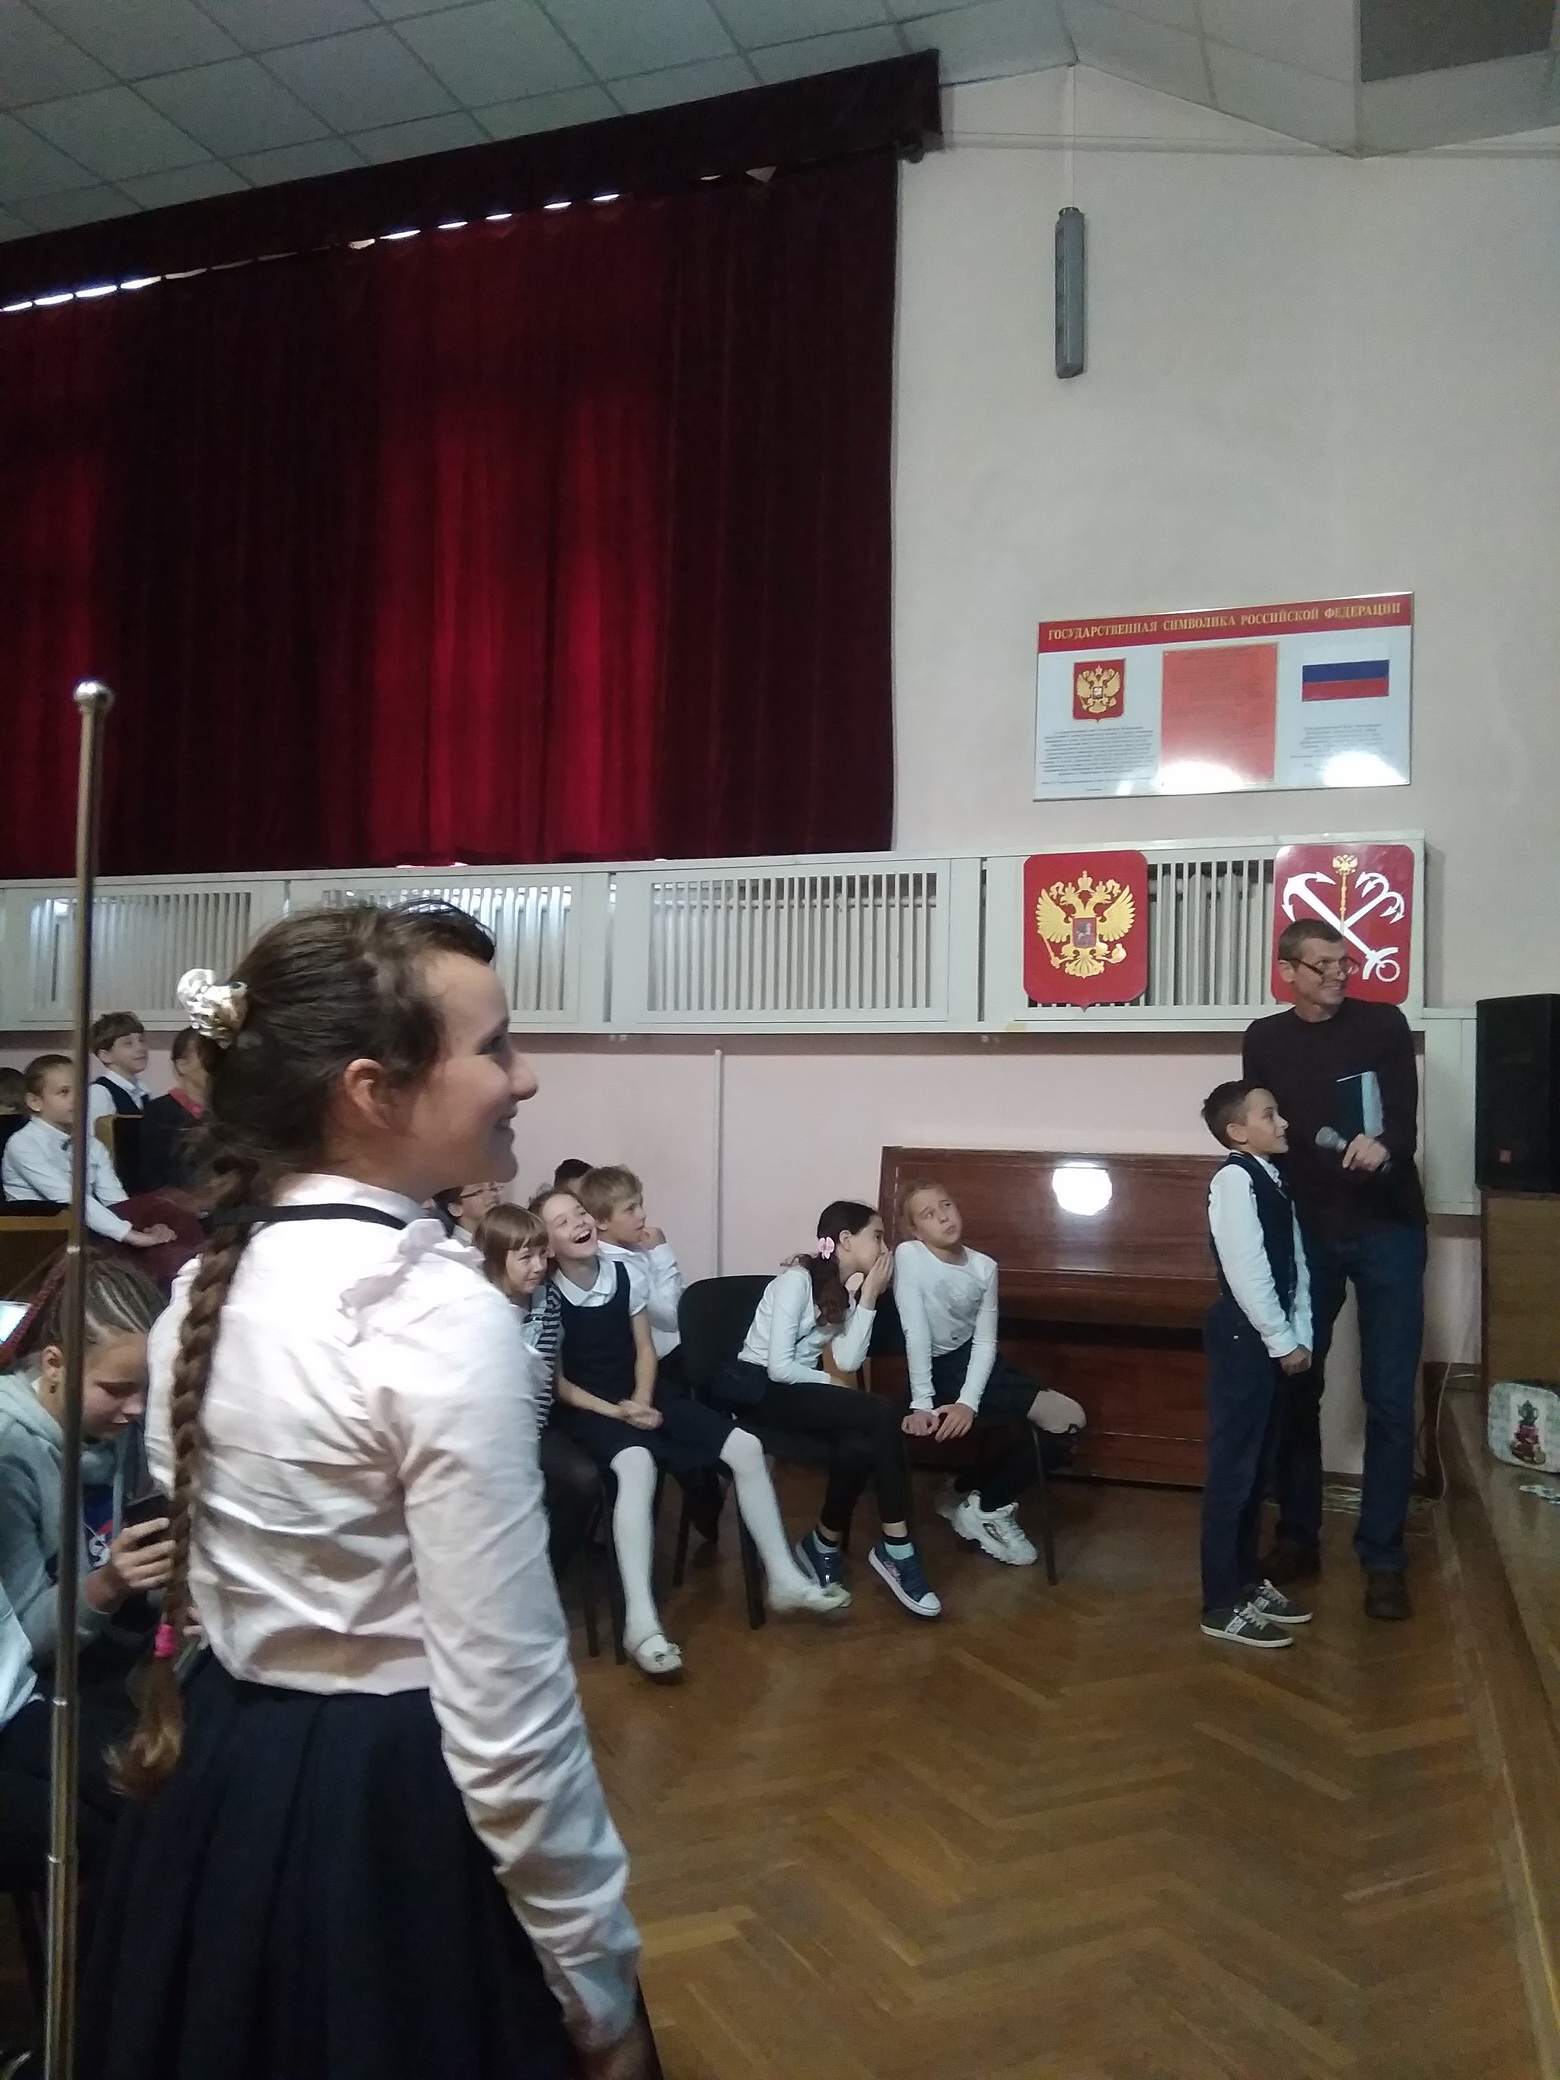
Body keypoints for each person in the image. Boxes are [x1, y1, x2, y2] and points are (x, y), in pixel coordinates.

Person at [80, 903, 659, 2080]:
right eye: (494, 1047)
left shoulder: (205, 1288)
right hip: (388, 1816)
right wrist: (594, 1978)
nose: (525, 1075)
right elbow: (508, 1709)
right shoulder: (434, 1315)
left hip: (222, 1785)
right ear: (370, 1090)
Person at [538, 1188, 845, 1683]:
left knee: (746, 1446)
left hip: (643, 1393)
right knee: (636, 1465)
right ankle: (641, 1625)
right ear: (549, 1244)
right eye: (561, 1221)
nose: (578, 1222)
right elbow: (560, 1384)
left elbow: (644, 1348)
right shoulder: (547, 1293)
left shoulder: (625, 1273)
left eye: (579, 1212)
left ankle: (785, 1578)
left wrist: (643, 1398)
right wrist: (619, 1411)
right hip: (591, 1408)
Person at [1243, 917, 1428, 1622]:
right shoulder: (1265, 1039)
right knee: (1298, 1384)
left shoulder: (1383, 1024)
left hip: (1388, 1229)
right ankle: (1298, 1536)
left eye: (1344, 963)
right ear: (1288, 971)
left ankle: (1382, 1556)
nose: (1338, 975)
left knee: (1390, 1398)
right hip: (1308, 1234)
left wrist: (1386, 1148)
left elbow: (1404, 1123)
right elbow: (1261, 1132)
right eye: (1322, 965)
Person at [717, 1202, 941, 1621]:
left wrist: (868, 1297)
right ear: (846, 1240)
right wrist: (829, 1382)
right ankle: (897, 1548)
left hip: (796, 1390)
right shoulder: (796, 1282)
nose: (884, 1247)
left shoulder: (843, 1295)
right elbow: (779, 1368)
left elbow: (850, 1360)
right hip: (759, 1392)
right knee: (882, 1411)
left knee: (859, 1444)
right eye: (877, 1236)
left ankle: (822, 1542)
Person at [0, 1252, 171, 1727]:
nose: (137, 1409)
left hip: (108, 1645)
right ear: (54, 1364)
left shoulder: (121, 1428)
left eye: (148, 1389)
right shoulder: (10, 1454)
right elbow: (23, 1646)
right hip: (41, 1685)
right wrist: (109, 1585)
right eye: (116, 1389)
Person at [893, 1180, 1085, 1567]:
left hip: (978, 1367)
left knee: (1067, 1421)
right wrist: (922, 1402)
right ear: (915, 1231)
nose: (943, 1217)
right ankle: (988, 1506)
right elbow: (916, 1333)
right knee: (1065, 1420)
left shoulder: (984, 1267)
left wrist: (968, 1402)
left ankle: (973, 1493)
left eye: (947, 1205)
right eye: (929, 1214)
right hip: (936, 1371)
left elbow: (984, 1341)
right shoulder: (910, 1256)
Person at [1196, 1083, 1315, 1649]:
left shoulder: (1272, 1178)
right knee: (1233, 1473)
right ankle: (1220, 1601)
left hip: (1270, 1340)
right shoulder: (1233, 1180)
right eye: (1270, 1115)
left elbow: (1297, 1266)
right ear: (1237, 1132)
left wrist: (1301, 1334)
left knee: (1258, 1469)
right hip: (1244, 1341)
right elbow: (1247, 1272)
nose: (1283, 1121)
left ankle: (1246, 1581)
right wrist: (1279, 1339)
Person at [475, 1202, 603, 1574]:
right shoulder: (479, 1307)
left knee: (583, 1480)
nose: (538, 1266)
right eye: (525, 1258)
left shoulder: (548, 1300)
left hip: (535, 1428)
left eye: (541, 1255)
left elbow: (550, 1378)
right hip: (489, 1436)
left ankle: (547, 1568)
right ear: (496, 1259)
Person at [1, 1055, 176, 1259]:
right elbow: (72, 1199)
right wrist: (131, 1236)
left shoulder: (91, 1144)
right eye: (64, 1092)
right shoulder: (24, 1144)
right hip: (39, 1239)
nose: (77, 1099)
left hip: (86, 1231)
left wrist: (143, 1226)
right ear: (34, 1102)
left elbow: (115, 1199)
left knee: (173, 1216)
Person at [139, 1026, 208, 1195]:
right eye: (207, 1057)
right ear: (182, 1065)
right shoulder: (159, 1112)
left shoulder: (228, 1111)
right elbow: (152, 1176)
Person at [86, 1012, 151, 1131]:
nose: (140, 1048)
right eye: (128, 1043)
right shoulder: (100, 1093)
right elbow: (96, 1138)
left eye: (141, 1040)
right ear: (105, 1055)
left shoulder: (143, 1091)